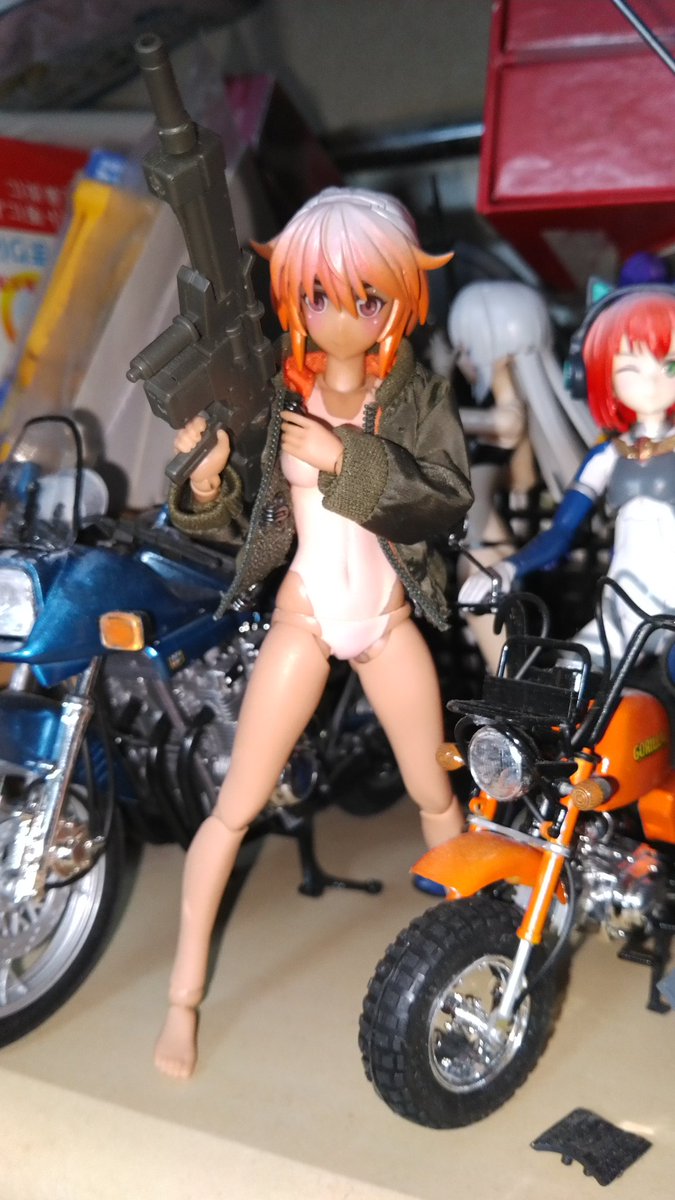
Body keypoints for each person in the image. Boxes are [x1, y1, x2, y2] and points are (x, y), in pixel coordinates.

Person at [154, 186, 473, 1078]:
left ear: (398, 299)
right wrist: (207, 480)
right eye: (318, 295)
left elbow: (445, 500)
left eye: (364, 298)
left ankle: (467, 964)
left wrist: (346, 458)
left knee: (434, 794)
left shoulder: (415, 397)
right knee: (234, 807)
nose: (337, 318)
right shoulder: (276, 400)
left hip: (386, 624)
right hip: (303, 619)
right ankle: (181, 999)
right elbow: (240, 525)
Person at [460, 288, 675, 667]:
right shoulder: (609, 454)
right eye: (631, 368)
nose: (653, 382)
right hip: (623, 608)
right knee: (571, 672)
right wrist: (507, 568)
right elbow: (562, 531)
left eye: (669, 366)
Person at [439, 280, 598, 669]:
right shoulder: (481, 416)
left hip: (482, 543)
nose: (463, 359)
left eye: (468, 348)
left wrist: (461, 383)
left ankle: (510, 692)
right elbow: (521, 477)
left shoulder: (496, 413)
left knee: (500, 651)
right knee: (500, 647)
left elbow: (502, 422)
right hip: (482, 539)